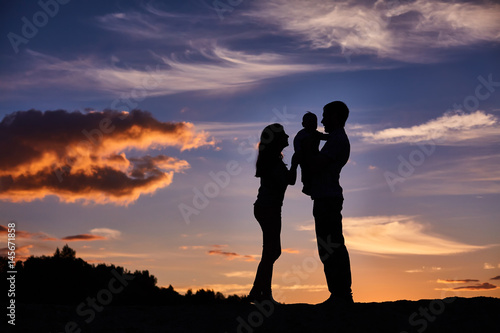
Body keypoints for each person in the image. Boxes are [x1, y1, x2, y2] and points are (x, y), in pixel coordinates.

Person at [309, 101, 353, 306]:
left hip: (328, 198)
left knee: (331, 245)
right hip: (325, 196)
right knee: (329, 245)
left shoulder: (337, 140)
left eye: (326, 115)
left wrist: (306, 149)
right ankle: (339, 293)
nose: (323, 120)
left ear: (336, 116)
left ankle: (341, 294)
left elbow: (318, 164)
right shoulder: (334, 138)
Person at [249, 123, 298, 303]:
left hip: (267, 207)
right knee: (273, 251)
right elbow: (290, 180)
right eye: (283, 134)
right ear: (277, 139)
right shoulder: (273, 162)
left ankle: (261, 292)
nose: (287, 136)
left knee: (271, 251)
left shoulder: (272, 160)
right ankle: (260, 292)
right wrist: (296, 162)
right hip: (269, 208)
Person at [293, 112, 328, 195]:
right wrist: (299, 152)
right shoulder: (301, 134)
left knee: (315, 173)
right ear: (303, 124)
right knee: (306, 172)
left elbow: (324, 137)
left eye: (314, 122)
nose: (312, 124)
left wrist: (332, 136)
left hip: (315, 156)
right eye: (310, 122)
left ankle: (313, 186)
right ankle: (307, 186)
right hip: (304, 158)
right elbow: (296, 143)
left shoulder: (316, 134)